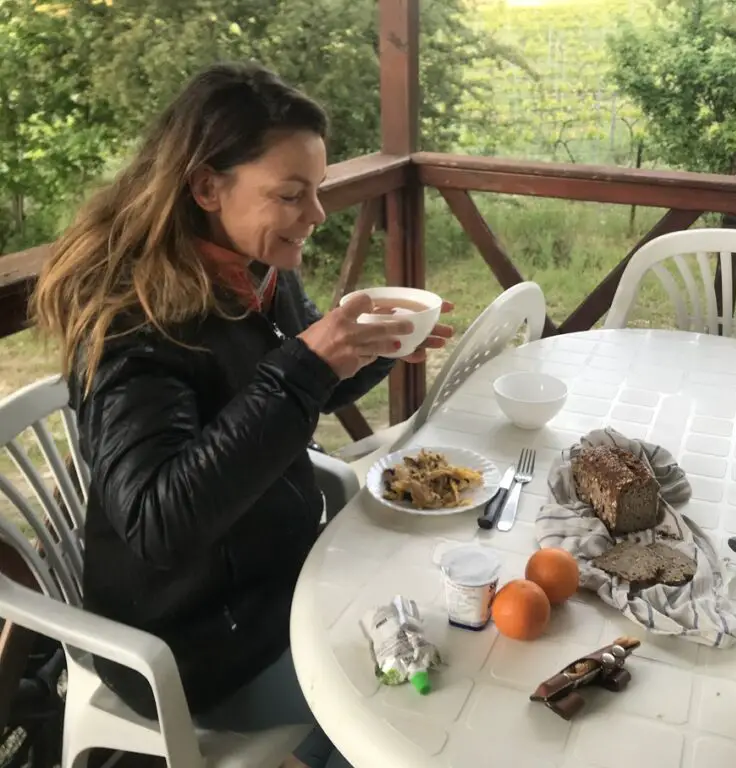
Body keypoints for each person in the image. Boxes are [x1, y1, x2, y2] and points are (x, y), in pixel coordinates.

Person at [30, 62, 451, 768]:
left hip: (278, 581)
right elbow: (160, 522)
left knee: (438, 638)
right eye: (292, 194)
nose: (316, 216)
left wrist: (368, 349)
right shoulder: (134, 321)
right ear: (205, 186)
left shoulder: (253, 265)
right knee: (417, 709)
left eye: (317, 191)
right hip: (194, 642)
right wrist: (309, 365)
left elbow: (295, 392)